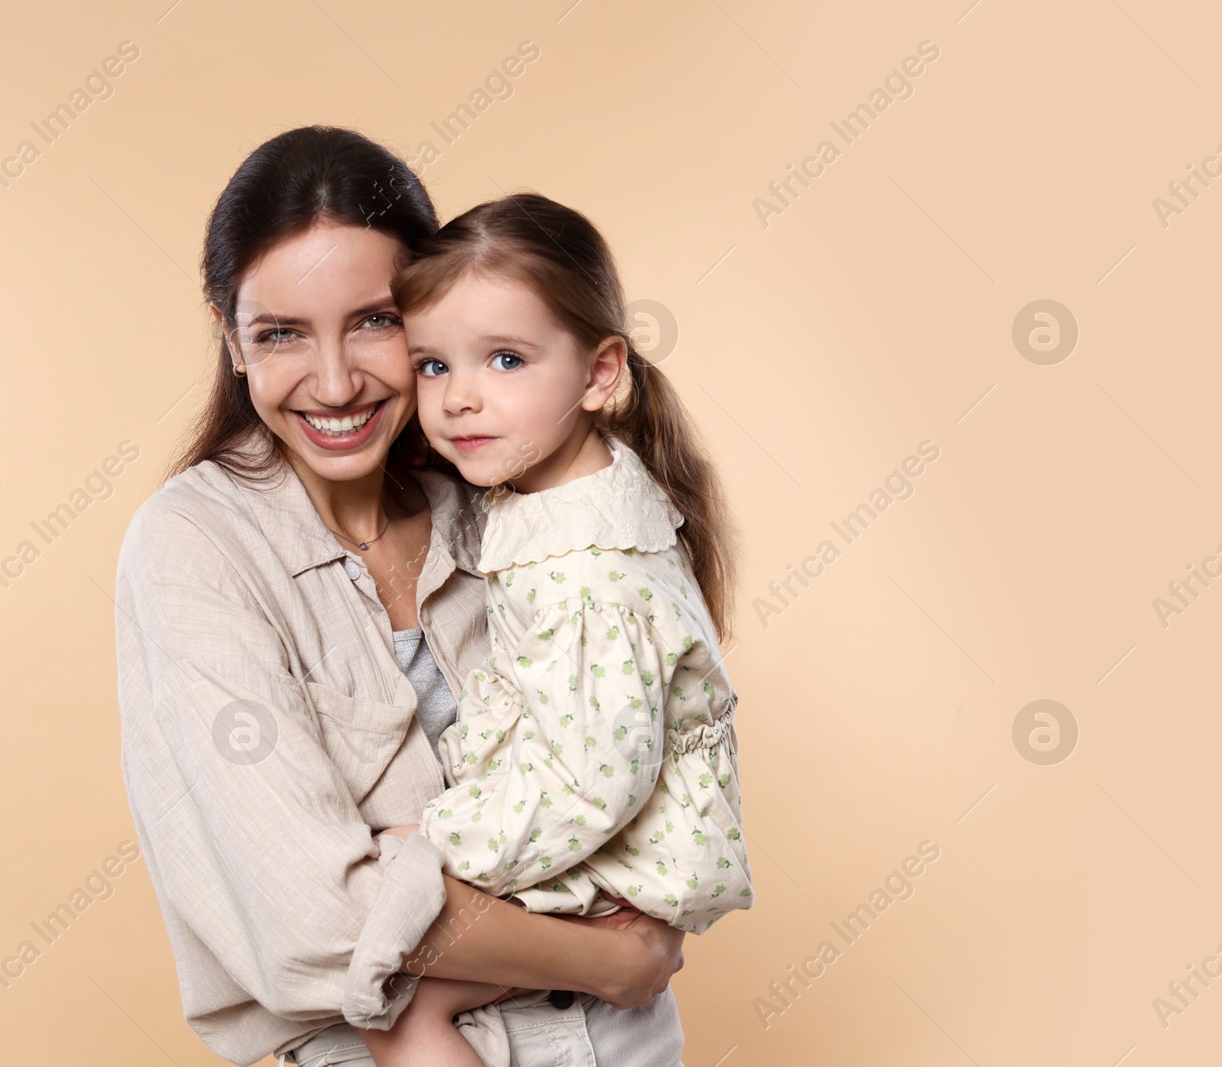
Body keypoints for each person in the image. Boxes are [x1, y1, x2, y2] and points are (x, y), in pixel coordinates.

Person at [115, 126, 690, 1067]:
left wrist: (408, 868)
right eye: (280, 333)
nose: (336, 383)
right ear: (228, 333)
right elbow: (312, 924)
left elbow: (637, 780)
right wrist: (606, 959)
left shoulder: (506, 490)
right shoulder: (194, 547)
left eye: (375, 321)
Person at [352, 194, 753, 1067]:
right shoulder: (576, 486)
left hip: (612, 865)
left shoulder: (586, 570)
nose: (459, 399)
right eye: (430, 366)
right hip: (593, 844)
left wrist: (437, 842)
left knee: (393, 1008)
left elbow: (588, 784)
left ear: (601, 372)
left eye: (504, 358)